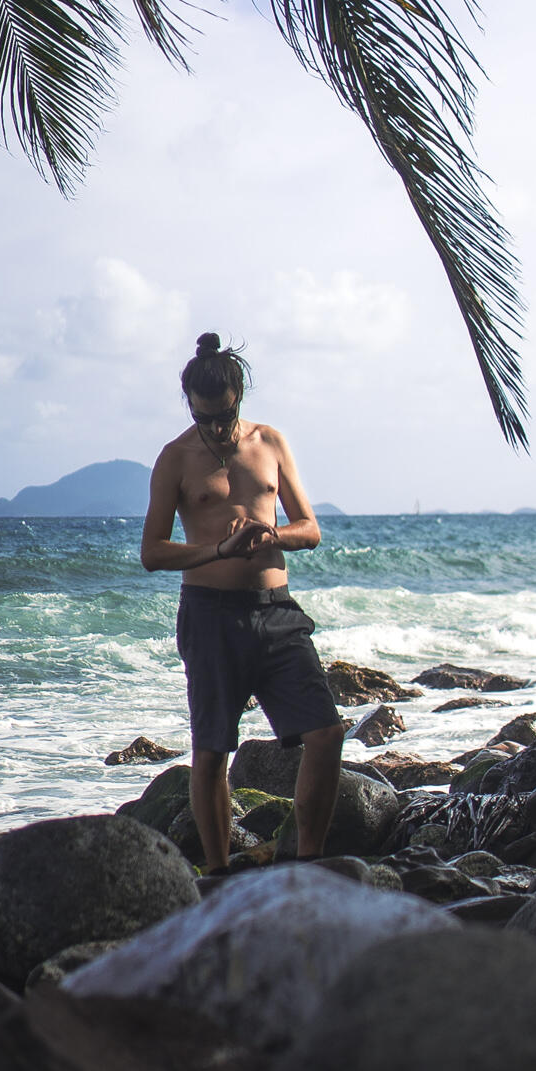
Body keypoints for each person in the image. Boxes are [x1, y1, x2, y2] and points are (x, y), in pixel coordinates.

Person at [140, 332, 344, 872]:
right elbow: (153, 552)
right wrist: (218, 549)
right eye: (204, 417)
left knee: (325, 734)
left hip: (276, 610)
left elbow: (310, 528)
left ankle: (310, 861)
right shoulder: (175, 458)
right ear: (190, 405)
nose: (216, 427)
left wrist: (272, 536)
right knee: (211, 752)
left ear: (239, 397)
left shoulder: (270, 443)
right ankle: (219, 872)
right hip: (210, 616)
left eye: (224, 415)